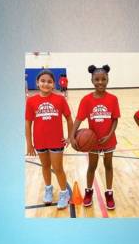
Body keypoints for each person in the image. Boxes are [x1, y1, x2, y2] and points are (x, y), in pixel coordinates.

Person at [70, 65, 120, 210]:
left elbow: (115, 119)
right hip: (92, 142)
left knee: (108, 166)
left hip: (109, 140)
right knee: (92, 166)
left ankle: (109, 193)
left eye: (103, 79)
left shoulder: (113, 99)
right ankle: (88, 191)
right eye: (97, 79)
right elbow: (79, 118)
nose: (100, 82)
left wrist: (109, 135)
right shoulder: (86, 100)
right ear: (91, 80)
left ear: (108, 80)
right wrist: (72, 136)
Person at [25, 70, 74, 209]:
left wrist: (70, 137)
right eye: (43, 81)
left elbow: (69, 119)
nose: (46, 84)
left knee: (58, 168)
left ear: (54, 84)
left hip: (56, 140)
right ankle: (48, 189)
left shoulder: (60, 99)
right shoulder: (31, 101)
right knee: (45, 166)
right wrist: (29, 144)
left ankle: (64, 193)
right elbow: (28, 123)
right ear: (37, 82)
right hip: (40, 140)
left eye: (49, 81)